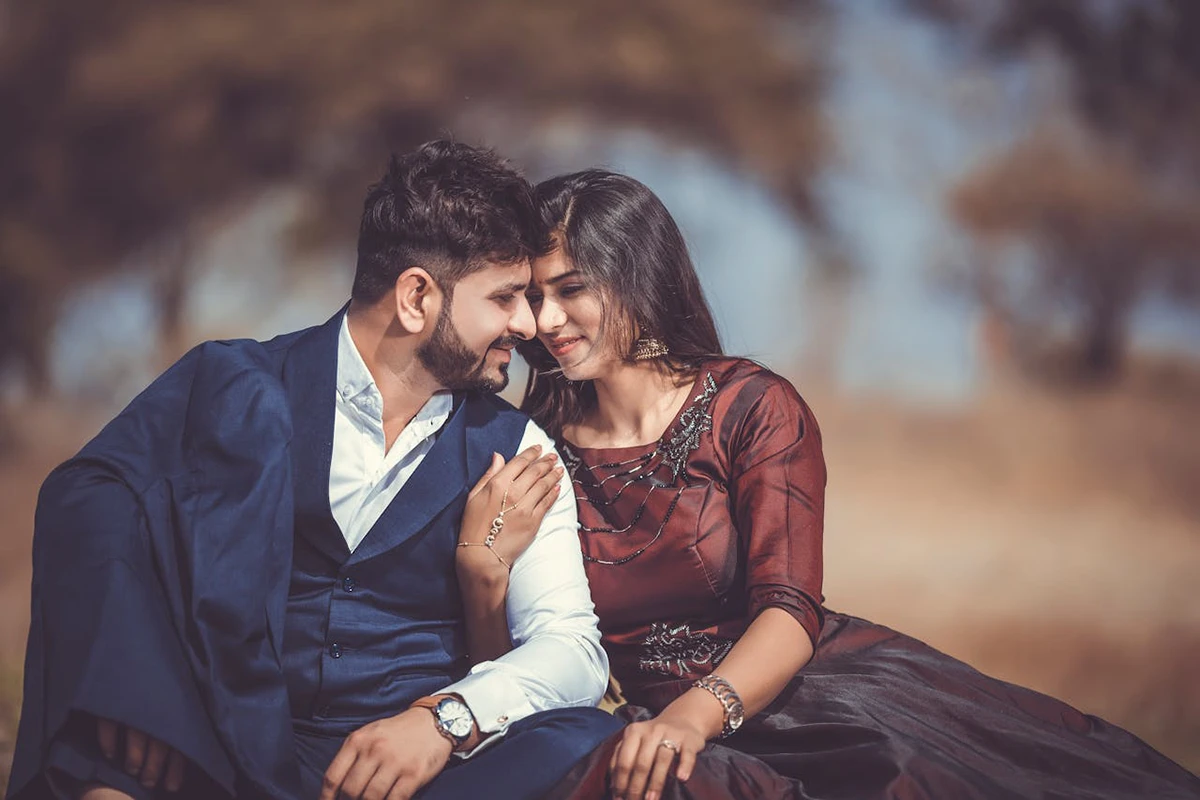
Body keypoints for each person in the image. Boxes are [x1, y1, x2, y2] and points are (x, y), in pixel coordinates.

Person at [493, 168, 1198, 800]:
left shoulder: (753, 408)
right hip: (650, 731)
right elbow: (532, 635)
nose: (546, 320)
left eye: (571, 290)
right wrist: (482, 564)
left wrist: (691, 717)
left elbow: (789, 608)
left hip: (814, 707)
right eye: (533, 296)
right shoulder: (534, 447)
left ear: (635, 275)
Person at [7, 143, 622, 800]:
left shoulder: (517, 447)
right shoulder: (233, 384)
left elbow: (571, 648)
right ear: (416, 296)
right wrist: (135, 691)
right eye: (506, 298)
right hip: (230, 748)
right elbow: (87, 498)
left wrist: (446, 721)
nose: (527, 324)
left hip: (418, 778)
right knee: (101, 776)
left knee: (583, 741)